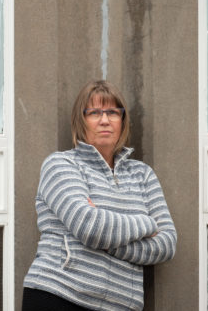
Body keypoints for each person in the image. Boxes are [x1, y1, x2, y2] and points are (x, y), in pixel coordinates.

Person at [22, 80, 177, 311]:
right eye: (94, 113)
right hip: (60, 294)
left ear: (122, 121)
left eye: (113, 112)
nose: (104, 120)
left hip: (121, 305)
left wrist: (107, 242)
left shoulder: (142, 175)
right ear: (80, 120)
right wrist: (148, 224)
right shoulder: (61, 165)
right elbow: (90, 227)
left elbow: (166, 244)